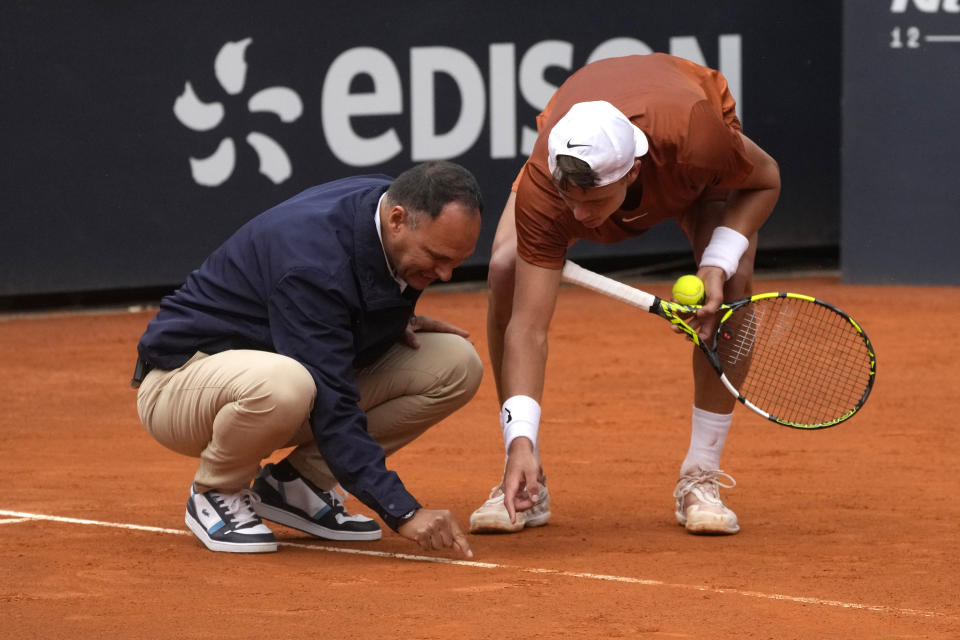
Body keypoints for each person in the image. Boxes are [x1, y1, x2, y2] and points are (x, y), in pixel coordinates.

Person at [468, 53, 781, 536]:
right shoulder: (548, 190)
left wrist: (716, 261)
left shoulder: (697, 141)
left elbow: (765, 180)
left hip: (683, 134)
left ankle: (701, 476)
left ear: (632, 172)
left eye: (591, 200)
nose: (578, 213)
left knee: (734, 286)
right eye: (568, 198)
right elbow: (528, 330)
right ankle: (526, 472)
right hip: (613, 132)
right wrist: (520, 441)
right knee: (506, 270)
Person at [133, 161, 484, 557]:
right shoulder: (313, 262)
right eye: (437, 257)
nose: (447, 274)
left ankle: (298, 485)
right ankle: (217, 491)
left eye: (457, 260)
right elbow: (332, 399)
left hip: (271, 366)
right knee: (289, 384)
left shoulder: (388, 207)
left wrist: (392, 321)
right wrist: (403, 511)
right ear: (398, 219)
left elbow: (347, 304)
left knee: (456, 364)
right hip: (181, 380)